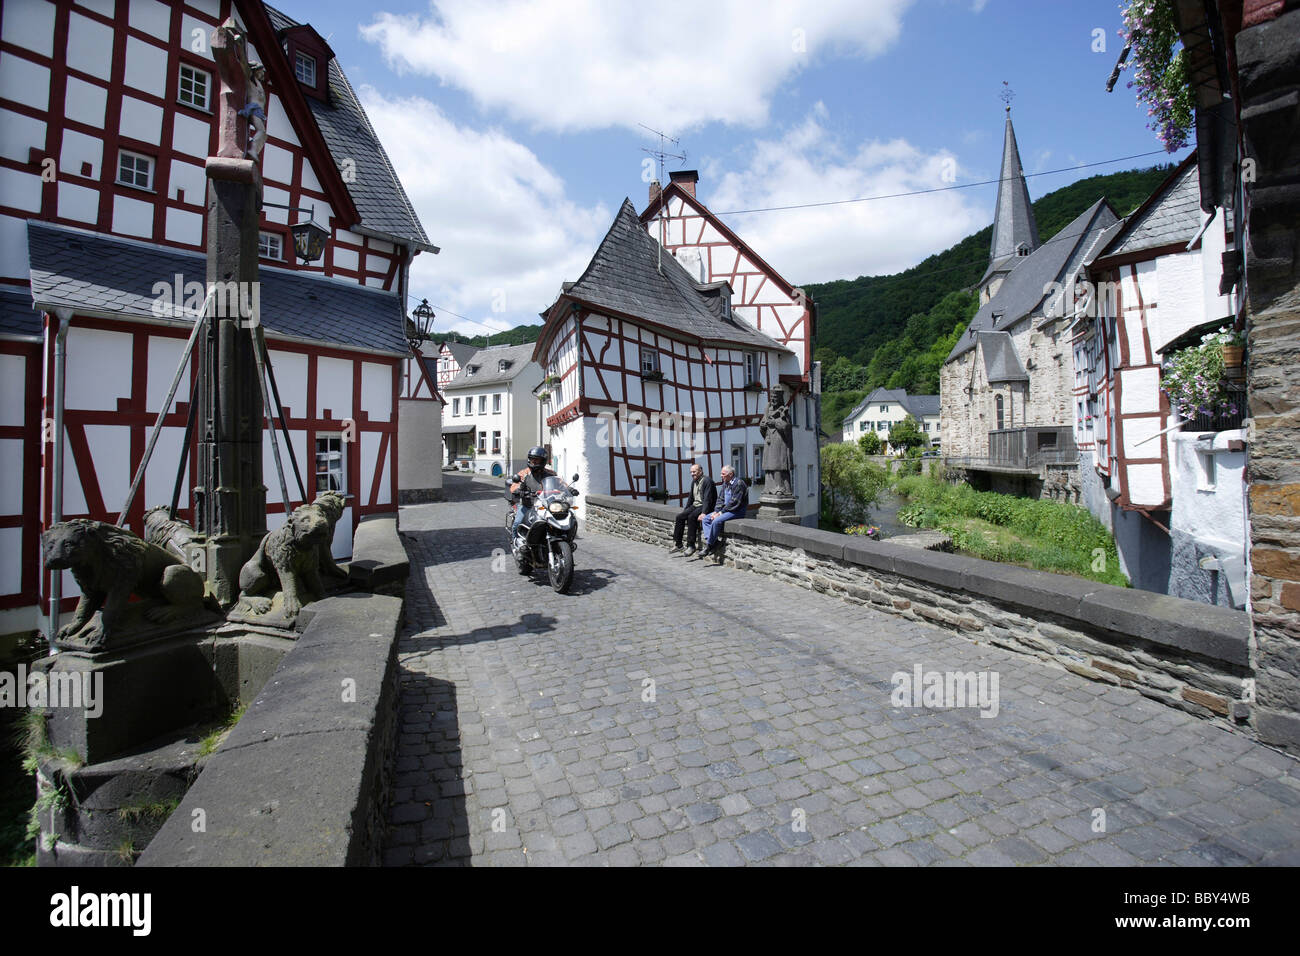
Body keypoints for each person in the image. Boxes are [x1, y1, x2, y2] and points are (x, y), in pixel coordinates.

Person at [695, 465, 747, 562]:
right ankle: (714, 543)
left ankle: (709, 546)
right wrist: (716, 511)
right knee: (706, 519)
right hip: (726, 510)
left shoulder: (739, 484)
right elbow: (720, 499)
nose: (721, 476)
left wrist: (720, 513)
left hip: (736, 511)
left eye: (723, 474)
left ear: (730, 474)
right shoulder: (725, 483)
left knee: (716, 521)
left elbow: (734, 503)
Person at [509, 446, 559, 539]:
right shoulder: (524, 473)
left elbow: (560, 483)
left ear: (543, 461)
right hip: (527, 505)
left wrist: (570, 489)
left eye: (537, 460)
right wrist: (518, 490)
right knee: (518, 524)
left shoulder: (551, 474)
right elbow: (514, 485)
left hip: (546, 505)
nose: (534, 462)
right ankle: (517, 543)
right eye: (532, 460)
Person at [670, 463, 715, 557]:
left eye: (694, 472)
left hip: (704, 506)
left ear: (700, 471)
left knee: (691, 517)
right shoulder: (694, 482)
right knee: (680, 517)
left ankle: (691, 546)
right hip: (695, 505)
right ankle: (678, 544)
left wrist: (704, 513)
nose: (692, 474)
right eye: (691, 472)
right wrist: (686, 510)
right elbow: (691, 497)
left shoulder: (707, 481)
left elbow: (708, 498)